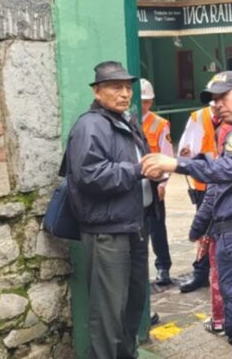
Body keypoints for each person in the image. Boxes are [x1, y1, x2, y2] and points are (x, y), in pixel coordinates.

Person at [141, 71, 232, 359]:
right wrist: (202, 227)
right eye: (213, 99)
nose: (217, 104)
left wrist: (175, 163)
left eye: (223, 96)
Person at [64, 61, 158, 359]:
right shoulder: (90, 125)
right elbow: (89, 175)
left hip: (134, 226)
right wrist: (137, 170)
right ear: (98, 91)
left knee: (133, 303)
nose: (124, 93)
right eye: (116, 87)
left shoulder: (125, 121)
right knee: (107, 313)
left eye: (128, 88)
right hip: (108, 232)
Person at [176, 102, 222, 294]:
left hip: (227, 183)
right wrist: (185, 155)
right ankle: (201, 273)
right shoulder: (198, 117)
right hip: (204, 183)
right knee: (204, 232)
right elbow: (185, 149)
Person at [140, 78, 174, 285]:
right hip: (135, 180)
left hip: (154, 181)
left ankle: (163, 267)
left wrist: (163, 184)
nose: (143, 104)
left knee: (157, 227)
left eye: (146, 100)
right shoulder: (127, 119)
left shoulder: (160, 124)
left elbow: (167, 154)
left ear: (151, 101)